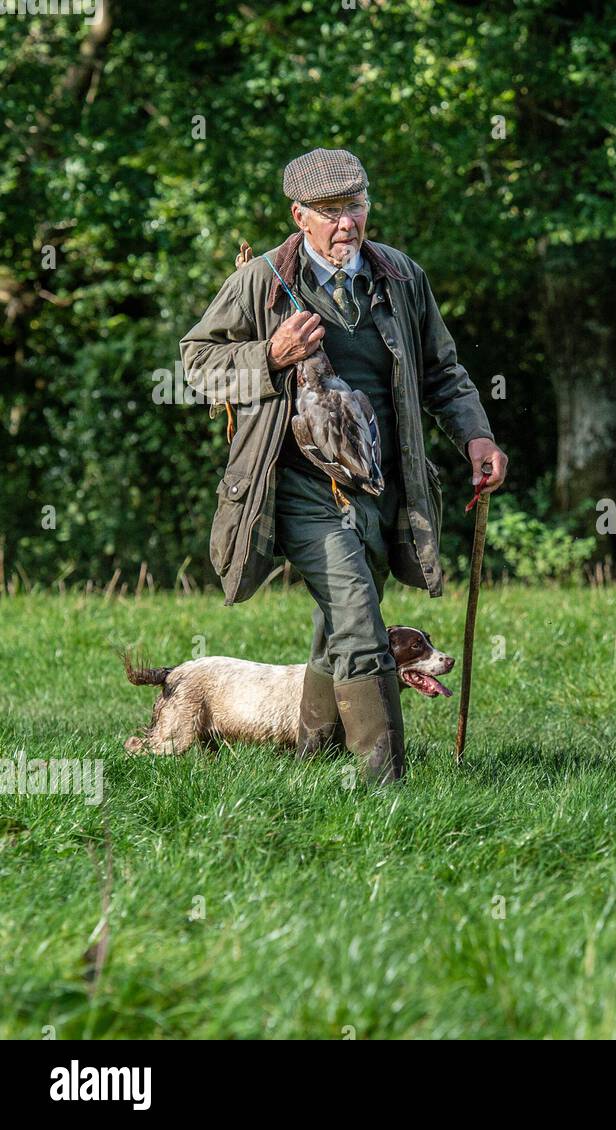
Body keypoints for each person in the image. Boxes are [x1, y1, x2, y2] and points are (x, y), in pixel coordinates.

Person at [180, 147, 507, 783]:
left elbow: (443, 371)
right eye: (329, 213)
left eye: (354, 207)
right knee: (359, 617)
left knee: (340, 625)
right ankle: (385, 786)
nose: (345, 224)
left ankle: (311, 757)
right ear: (299, 216)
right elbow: (196, 365)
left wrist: (476, 436)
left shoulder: (402, 278)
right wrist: (268, 356)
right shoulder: (259, 283)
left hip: (385, 487)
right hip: (299, 486)